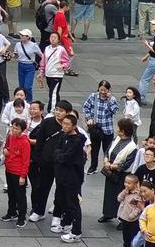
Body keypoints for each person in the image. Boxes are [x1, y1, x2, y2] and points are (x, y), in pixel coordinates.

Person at [28, 99, 69, 223]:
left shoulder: (69, 125)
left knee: (61, 188)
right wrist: (38, 158)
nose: (58, 112)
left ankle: (59, 212)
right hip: (46, 161)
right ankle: (39, 211)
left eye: (61, 111)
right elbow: (39, 141)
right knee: (42, 187)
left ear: (68, 112)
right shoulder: (47, 122)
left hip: (62, 163)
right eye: (56, 109)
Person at [52, 113, 85, 243]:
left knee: (73, 204)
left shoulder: (77, 140)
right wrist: (60, 155)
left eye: (67, 124)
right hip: (61, 176)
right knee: (62, 201)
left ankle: (76, 232)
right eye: (63, 123)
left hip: (72, 178)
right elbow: (56, 151)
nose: (64, 126)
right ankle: (66, 223)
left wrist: (60, 155)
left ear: (74, 126)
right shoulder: (63, 135)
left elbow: (66, 157)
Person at [100, 118, 138, 223]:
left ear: (124, 131)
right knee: (109, 195)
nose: (117, 130)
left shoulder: (132, 146)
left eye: (119, 128)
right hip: (110, 171)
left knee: (121, 197)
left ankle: (122, 219)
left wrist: (113, 166)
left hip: (121, 175)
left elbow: (127, 164)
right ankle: (108, 214)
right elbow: (108, 150)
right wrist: (106, 160)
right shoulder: (116, 139)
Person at [84, 80, 120, 173]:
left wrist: (109, 100)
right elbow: (86, 107)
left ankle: (107, 167)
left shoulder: (112, 99)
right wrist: (89, 118)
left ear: (109, 90)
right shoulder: (93, 96)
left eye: (105, 90)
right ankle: (93, 167)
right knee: (94, 149)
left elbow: (115, 111)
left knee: (107, 150)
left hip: (107, 128)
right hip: (95, 128)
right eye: (101, 90)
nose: (103, 92)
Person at [39, 32, 70, 110]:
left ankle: (51, 110)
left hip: (57, 74)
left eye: (55, 38)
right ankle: (59, 108)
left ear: (58, 40)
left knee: (53, 93)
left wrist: (62, 66)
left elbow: (67, 62)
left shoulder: (61, 49)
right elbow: (43, 61)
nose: (52, 39)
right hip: (48, 74)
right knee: (54, 93)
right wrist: (41, 72)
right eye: (51, 37)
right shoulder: (47, 48)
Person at [15, 29, 40, 102]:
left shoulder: (33, 45)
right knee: (21, 86)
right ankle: (21, 100)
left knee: (27, 86)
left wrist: (42, 65)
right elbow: (16, 55)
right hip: (21, 65)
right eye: (21, 35)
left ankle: (29, 101)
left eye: (23, 35)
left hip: (30, 66)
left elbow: (41, 55)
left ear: (28, 37)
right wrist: (11, 55)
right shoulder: (18, 44)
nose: (21, 36)